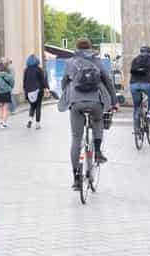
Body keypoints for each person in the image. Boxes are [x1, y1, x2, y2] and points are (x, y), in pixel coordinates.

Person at [59, 37, 117, 191]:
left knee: (76, 139)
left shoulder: (70, 62)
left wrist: (67, 95)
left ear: (76, 48)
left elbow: (64, 82)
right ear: (90, 47)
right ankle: (97, 152)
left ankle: (76, 178)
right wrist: (114, 101)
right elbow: (108, 81)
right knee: (98, 122)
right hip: (95, 101)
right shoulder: (96, 61)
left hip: (76, 103)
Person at [22, 53, 51, 129]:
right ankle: (37, 124)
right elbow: (43, 80)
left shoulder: (26, 70)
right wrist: (46, 88)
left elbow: (24, 81)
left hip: (29, 91)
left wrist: (25, 91)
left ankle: (30, 121)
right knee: (38, 106)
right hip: (38, 90)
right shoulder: (39, 69)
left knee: (32, 106)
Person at [0, 62, 14, 129]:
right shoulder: (8, 75)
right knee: (5, 108)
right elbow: (12, 82)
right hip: (6, 92)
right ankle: (4, 123)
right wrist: (10, 88)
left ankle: (1, 121)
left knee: (1, 108)